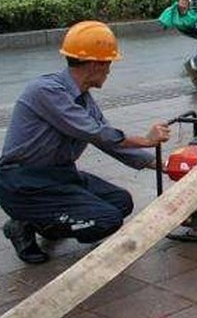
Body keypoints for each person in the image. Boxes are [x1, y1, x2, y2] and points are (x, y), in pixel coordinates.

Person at [0, 21, 171, 264]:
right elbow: (95, 132)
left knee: (121, 202)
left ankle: (44, 220)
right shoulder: (46, 91)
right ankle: (26, 222)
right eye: (108, 63)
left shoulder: (85, 99)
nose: (110, 71)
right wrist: (145, 140)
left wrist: (167, 165)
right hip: (25, 183)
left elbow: (108, 141)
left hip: (60, 175)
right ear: (94, 64)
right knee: (106, 220)